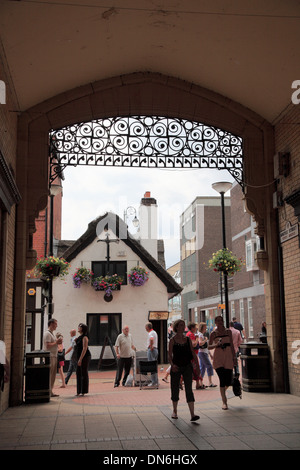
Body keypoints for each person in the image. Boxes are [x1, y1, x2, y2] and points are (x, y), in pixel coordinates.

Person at [168, 319, 200, 421]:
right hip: (176, 367)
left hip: (187, 366)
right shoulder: (172, 340)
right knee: (174, 388)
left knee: (189, 389)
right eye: (180, 325)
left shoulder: (187, 339)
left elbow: (193, 352)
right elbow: (169, 355)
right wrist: (172, 365)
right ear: (176, 327)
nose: (182, 327)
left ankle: (192, 414)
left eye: (183, 325)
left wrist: (197, 365)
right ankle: (175, 410)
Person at [209, 316, 237, 410]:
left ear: (223, 321)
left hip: (228, 356)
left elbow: (232, 345)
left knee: (228, 380)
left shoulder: (228, 331)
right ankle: (224, 402)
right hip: (219, 357)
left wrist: (234, 357)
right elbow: (209, 346)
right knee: (222, 378)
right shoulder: (213, 333)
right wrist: (216, 344)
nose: (220, 322)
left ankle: (222, 392)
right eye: (218, 321)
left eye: (221, 320)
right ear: (215, 322)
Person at [43, 318, 62, 397]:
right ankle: (48, 391)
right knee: (50, 374)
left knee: (53, 375)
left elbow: (53, 343)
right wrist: (56, 342)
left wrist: (57, 341)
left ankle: (50, 391)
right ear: (51, 324)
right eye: (55, 324)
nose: (56, 326)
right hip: (50, 356)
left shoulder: (51, 333)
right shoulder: (47, 333)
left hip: (54, 356)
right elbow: (47, 345)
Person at [186, 322, 205, 389]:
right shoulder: (191, 334)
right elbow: (193, 344)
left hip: (191, 354)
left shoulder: (189, 334)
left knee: (194, 369)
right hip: (193, 354)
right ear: (192, 328)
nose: (196, 328)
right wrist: (197, 338)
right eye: (195, 327)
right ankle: (198, 384)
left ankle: (198, 383)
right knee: (195, 368)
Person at [198, 322, 217, 387]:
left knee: (202, 368)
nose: (206, 328)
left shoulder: (201, 334)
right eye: (205, 327)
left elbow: (206, 346)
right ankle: (210, 382)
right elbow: (200, 343)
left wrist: (210, 354)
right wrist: (205, 340)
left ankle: (200, 383)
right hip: (202, 353)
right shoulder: (200, 335)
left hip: (203, 353)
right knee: (209, 366)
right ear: (202, 328)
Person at [75, 323, 91, 396]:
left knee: (83, 373)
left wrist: (80, 359)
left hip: (85, 357)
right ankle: (78, 391)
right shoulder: (79, 337)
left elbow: (84, 348)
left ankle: (84, 391)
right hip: (79, 357)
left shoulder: (85, 337)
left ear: (83, 329)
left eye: (80, 327)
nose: (78, 327)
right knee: (78, 373)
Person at [145, 322, 159, 387]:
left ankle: (154, 382)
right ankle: (156, 381)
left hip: (152, 350)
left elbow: (151, 339)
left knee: (151, 366)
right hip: (155, 349)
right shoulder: (154, 332)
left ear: (148, 327)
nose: (145, 328)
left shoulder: (151, 333)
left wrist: (150, 346)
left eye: (145, 327)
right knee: (154, 366)